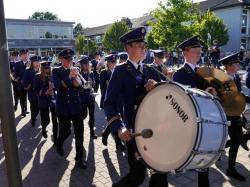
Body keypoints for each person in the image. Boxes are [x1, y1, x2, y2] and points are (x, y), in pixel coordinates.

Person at [104, 27, 168, 187]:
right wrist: (119, 128)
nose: (143, 48)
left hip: (154, 129)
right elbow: (109, 103)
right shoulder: (120, 71)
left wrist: (158, 84)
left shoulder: (149, 69)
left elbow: (169, 87)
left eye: (144, 45)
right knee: (137, 176)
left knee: (160, 174)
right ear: (128, 48)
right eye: (139, 45)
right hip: (134, 130)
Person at [173, 36, 217, 187]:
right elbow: (183, 100)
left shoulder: (201, 71)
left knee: (203, 162)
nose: (199, 55)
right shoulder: (179, 74)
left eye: (200, 52)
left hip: (205, 118)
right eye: (195, 52)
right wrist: (205, 92)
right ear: (185, 53)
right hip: (191, 120)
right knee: (198, 158)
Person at [52, 49, 87, 169]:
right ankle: (59, 142)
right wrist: (69, 76)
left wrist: (79, 84)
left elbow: (81, 88)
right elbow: (57, 87)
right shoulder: (56, 71)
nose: (70, 61)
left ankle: (79, 159)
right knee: (65, 131)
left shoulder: (76, 70)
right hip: (63, 108)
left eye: (71, 59)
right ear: (61, 59)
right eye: (67, 59)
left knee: (79, 133)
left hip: (76, 106)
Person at [219, 53, 247, 181]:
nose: (238, 66)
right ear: (229, 66)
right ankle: (230, 169)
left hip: (236, 114)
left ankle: (219, 151)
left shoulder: (235, 76)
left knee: (237, 139)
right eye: (236, 64)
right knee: (235, 141)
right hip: (228, 116)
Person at [100, 54, 126, 151]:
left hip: (119, 101)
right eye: (112, 62)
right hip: (109, 101)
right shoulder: (104, 73)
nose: (113, 64)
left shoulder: (118, 71)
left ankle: (105, 134)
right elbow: (103, 89)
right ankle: (118, 144)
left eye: (115, 62)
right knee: (115, 121)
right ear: (107, 63)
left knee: (114, 121)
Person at [34, 61, 58, 141]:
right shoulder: (37, 76)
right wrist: (45, 92)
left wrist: (54, 87)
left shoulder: (52, 76)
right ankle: (43, 128)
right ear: (42, 69)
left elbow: (56, 87)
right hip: (43, 101)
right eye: (45, 68)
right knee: (46, 120)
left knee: (55, 121)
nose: (47, 70)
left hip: (52, 100)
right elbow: (36, 90)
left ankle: (55, 137)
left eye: (48, 68)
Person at [78, 55, 97, 139]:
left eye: (87, 64)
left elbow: (93, 83)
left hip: (91, 98)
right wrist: (84, 87)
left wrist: (92, 86)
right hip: (83, 99)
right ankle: (77, 126)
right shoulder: (79, 74)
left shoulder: (91, 73)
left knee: (92, 116)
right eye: (84, 64)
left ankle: (92, 132)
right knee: (84, 115)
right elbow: (78, 87)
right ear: (81, 65)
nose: (86, 66)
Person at [23, 55, 41, 126]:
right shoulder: (28, 71)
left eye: (38, 61)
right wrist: (29, 85)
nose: (37, 63)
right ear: (32, 62)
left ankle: (33, 116)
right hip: (32, 93)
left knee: (38, 108)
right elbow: (24, 82)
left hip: (40, 93)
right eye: (36, 61)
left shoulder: (41, 70)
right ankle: (33, 119)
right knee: (34, 107)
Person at [13, 49, 29, 117]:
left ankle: (27, 109)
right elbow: (15, 74)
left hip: (30, 85)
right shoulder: (17, 64)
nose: (25, 56)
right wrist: (19, 80)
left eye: (26, 54)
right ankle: (23, 110)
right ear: (20, 56)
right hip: (21, 84)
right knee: (22, 98)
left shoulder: (31, 63)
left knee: (30, 98)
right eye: (24, 55)